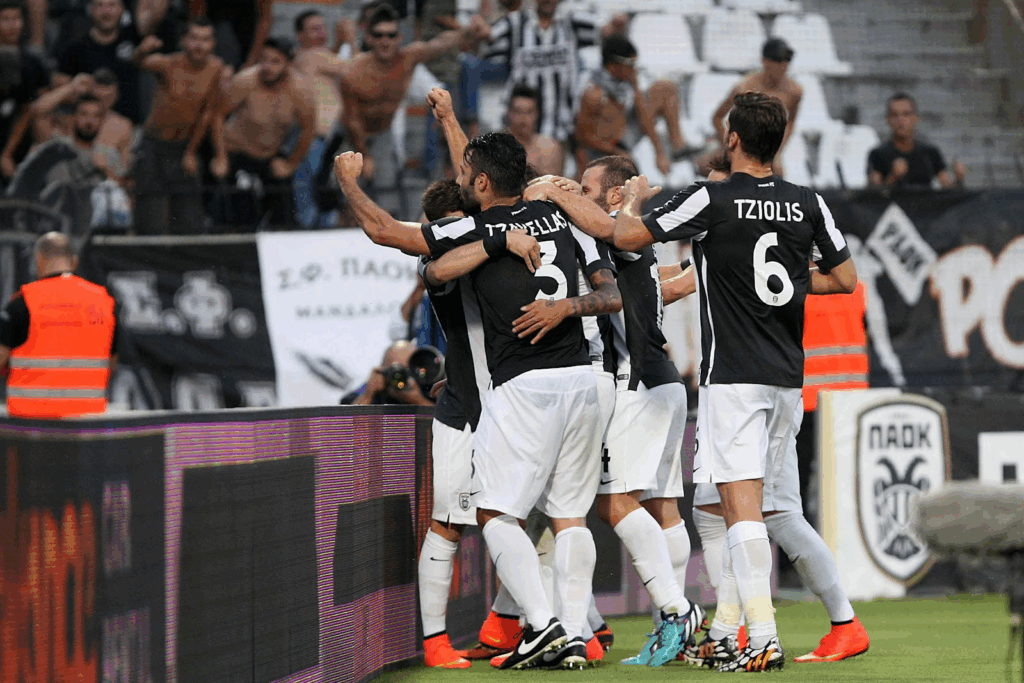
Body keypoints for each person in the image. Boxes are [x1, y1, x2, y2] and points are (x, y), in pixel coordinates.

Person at [335, 129, 623, 669]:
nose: (463, 180)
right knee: (557, 517)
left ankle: (548, 628)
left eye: (469, 174)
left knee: (502, 514)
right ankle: (541, 633)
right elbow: (435, 266)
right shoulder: (557, 216)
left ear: (483, 183)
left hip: (518, 390)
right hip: (547, 386)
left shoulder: (477, 226)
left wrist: (347, 180)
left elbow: (386, 231)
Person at [604, 91, 858, 672]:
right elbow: (844, 278)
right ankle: (728, 633)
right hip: (787, 379)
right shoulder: (809, 201)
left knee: (741, 511)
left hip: (734, 378)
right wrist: (793, 280)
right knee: (748, 509)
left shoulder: (712, 198)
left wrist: (632, 199)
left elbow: (626, 237)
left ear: (733, 138)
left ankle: (761, 638)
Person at [525, 155, 705, 666]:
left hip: (636, 382)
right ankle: (672, 631)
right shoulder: (629, 240)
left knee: (613, 504)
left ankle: (676, 610)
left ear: (611, 196)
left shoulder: (617, 232)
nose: (575, 193)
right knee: (664, 507)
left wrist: (553, 192)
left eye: (585, 188)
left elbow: (608, 234)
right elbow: (663, 284)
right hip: (664, 383)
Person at [337, 4, 484, 184]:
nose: (385, 41)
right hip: (352, 137)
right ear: (369, 38)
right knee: (348, 191)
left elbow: (440, 43)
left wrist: (469, 30)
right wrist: (364, 155)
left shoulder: (407, 59)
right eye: (379, 35)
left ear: (399, 37)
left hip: (383, 134)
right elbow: (351, 120)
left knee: (386, 189)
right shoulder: (354, 72)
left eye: (391, 35)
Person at [0, 232, 117, 419]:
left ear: (38, 259)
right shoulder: (104, 302)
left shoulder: (22, 303)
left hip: (31, 423)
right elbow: (112, 360)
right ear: (75, 261)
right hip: (87, 422)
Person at [481, 0, 627, 143]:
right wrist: (479, 29)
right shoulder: (514, 24)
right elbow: (485, 41)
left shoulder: (572, 21)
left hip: (563, 130)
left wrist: (617, 24)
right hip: (522, 133)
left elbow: (606, 31)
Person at [130, 16, 223, 235]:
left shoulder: (216, 68)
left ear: (213, 43)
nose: (199, 45)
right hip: (153, 145)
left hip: (184, 145)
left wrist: (192, 151)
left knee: (189, 220)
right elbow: (137, 63)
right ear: (183, 41)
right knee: (151, 219)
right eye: (194, 38)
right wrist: (142, 50)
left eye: (205, 39)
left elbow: (208, 113)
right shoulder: (168, 63)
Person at [212, 37, 316, 230]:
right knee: (240, 213)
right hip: (238, 153)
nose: (267, 67)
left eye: (275, 62)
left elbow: (308, 129)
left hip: (270, 156)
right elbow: (218, 115)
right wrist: (221, 157)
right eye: (264, 60)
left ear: (289, 64)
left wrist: (291, 163)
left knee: (284, 217)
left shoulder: (301, 91)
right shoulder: (245, 81)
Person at [574, 36, 701, 177]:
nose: (634, 69)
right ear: (612, 67)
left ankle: (678, 146)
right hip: (602, 149)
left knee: (666, 89)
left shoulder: (625, 83)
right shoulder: (594, 94)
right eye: (630, 64)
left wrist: (659, 153)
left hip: (624, 134)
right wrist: (618, 153)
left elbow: (644, 117)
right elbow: (582, 137)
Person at [708, 38, 802, 177]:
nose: (783, 65)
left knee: (776, 172)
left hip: (767, 147)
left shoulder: (794, 92)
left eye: (787, 60)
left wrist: (778, 149)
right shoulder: (745, 87)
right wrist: (731, 147)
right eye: (778, 60)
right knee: (716, 168)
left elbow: (791, 122)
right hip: (743, 144)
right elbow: (717, 118)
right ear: (765, 61)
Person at [293, 9, 349, 228]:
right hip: (316, 141)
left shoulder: (310, 57)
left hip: (323, 141)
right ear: (300, 36)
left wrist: (339, 44)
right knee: (316, 194)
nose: (321, 33)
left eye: (323, 28)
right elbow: (356, 69)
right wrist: (350, 41)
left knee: (316, 192)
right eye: (314, 29)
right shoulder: (312, 55)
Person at [24, 69, 132, 181]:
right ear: (74, 117)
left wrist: (105, 171)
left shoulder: (112, 147)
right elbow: (37, 111)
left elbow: (124, 180)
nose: (89, 121)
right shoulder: (59, 143)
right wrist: (71, 87)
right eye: (84, 114)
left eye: (108, 97)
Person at [55, 0, 144, 124]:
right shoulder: (75, 48)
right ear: (90, 9)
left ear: (123, 9)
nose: (106, 11)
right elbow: (58, 89)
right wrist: (83, 90)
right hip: (89, 126)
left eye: (112, 5)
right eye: (100, 5)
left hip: (131, 125)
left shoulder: (135, 38)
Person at [867, 92, 967, 189]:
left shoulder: (930, 153)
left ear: (916, 118)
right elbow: (874, 194)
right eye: (894, 115)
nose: (900, 120)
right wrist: (893, 177)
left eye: (906, 114)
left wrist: (959, 178)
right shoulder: (877, 155)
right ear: (887, 119)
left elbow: (949, 190)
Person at [0, 0, 51, 184]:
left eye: (16, 19)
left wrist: (6, 154)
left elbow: (28, 108)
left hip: (20, 145)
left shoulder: (32, 63)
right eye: (5, 19)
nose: (12, 25)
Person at [507, 84, 563, 178]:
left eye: (529, 112)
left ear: (537, 114)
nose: (523, 118)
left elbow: (557, 184)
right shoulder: (495, 148)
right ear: (509, 113)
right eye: (518, 112)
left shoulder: (550, 148)